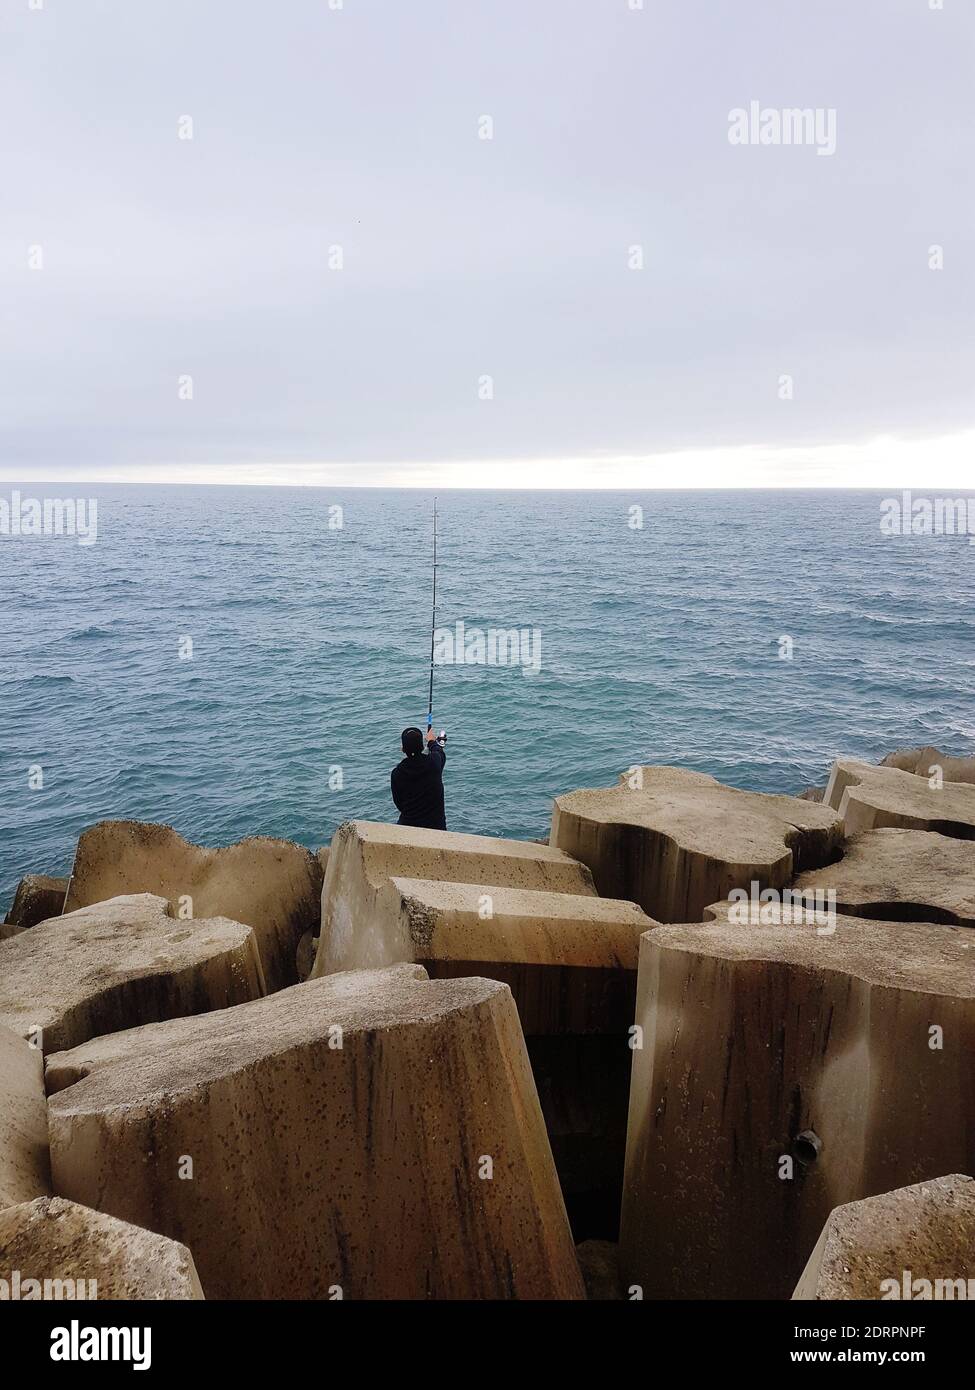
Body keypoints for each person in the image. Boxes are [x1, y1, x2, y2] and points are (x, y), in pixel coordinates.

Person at [391, 725, 447, 830]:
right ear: (422, 747)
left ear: (403, 749)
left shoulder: (397, 773)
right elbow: (439, 752)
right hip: (436, 826)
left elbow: (398, 803)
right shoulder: (434, 763)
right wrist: (431, 741)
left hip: (407, 825)